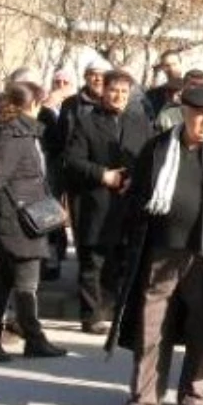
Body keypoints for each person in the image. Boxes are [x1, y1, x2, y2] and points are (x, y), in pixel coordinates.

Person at [106, 87, 203, 405]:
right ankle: (145, 397)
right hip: (161, 249)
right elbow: (137, 197)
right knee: (151, 324)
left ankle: (195, 395)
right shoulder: (159, 146)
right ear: (184, 113)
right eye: (198, 114)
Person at [0, 78, 69, 361]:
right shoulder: (15, 136)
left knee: (1, 281)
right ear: (34, 103)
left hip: (21, 219)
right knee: (25, 284)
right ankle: (31, 337)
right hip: (20, 223)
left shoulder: (17, 130)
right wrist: (19, 204)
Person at [65, 70, 154, 334]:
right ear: (103, 91)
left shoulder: (139, 121)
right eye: (114, 91)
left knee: (122, 260)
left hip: (129, 202)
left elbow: (149, 157)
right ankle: (91, 316)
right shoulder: (86, 122)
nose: (118, 97)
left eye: (124, 92)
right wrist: (103, 175)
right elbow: (72, 160)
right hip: (96, 203)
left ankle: (115, 312)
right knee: (94, 262)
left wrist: (134, 179)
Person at [145, 49, 184, 117]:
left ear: (180, 64)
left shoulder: (192, 91)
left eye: (174, 64)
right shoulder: (153, 95)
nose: (171, 68)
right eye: (167, 65)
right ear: (162, 68)